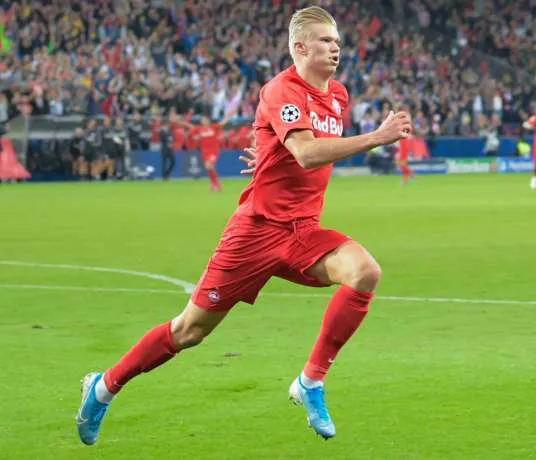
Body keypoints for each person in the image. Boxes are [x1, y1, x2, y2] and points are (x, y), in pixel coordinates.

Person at [75, 6, 412, 445]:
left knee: (365, 271)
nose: (336, 49)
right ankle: (103, 387)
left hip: (302, 232)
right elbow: (308, 153)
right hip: (255, 232)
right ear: (300, 47)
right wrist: (375, 137)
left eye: (338, 42)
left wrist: (271, 150)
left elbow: (303, 146)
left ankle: (310, 382)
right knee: (188, 332)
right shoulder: (281, 88)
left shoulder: (338, 94)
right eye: (327, 41)